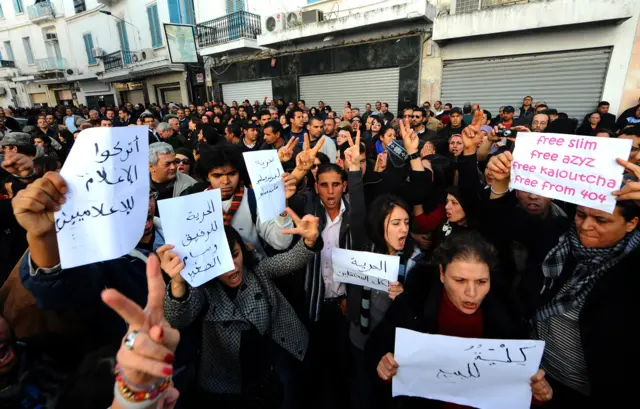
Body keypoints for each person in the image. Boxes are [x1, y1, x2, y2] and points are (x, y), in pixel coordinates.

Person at [487, 151, 639, 406]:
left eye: (601, 220)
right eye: (581, 214)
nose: (585, 226)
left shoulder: (632, 266)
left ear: (632, 223)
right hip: (533, 374)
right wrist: (501, 183)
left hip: (587, 390)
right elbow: (503, 224)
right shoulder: (558, 233)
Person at [366, 231, 552, 409]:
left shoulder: (509, 314)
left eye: (481, 282)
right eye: (460, 280)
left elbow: (520, 385)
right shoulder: (413, 304)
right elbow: (377, 348)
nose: (471, 294)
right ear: (441, 274)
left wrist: (535, 394)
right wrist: (384, 368)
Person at [162, 210, 321, 408]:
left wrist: (310, 242)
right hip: (227, 379)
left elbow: (288, 261)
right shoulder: (202, 289)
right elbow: (177, 319)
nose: (232, 268)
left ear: (242, 250)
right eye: (222, 261)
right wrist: (178, 285)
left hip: (271, 362)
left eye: (235, 255)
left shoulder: (257, 270)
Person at [192, 144, 295, 256]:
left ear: (239, 173)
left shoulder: (255, 199)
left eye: (232, 174)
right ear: (207, 177)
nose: (225, 181)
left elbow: (281, 243)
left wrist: (282, 206)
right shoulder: (197, 205)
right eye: (217, 176)